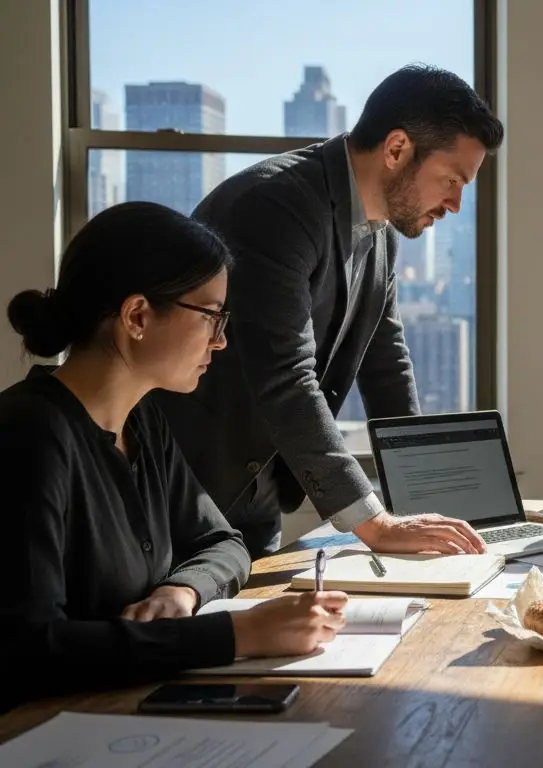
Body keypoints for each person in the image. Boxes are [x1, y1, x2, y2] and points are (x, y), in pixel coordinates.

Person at [0, 202, 349, 711]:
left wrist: (183, 590)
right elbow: (31, 650)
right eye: (211, 315)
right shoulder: (29, 433)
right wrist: (238, 634)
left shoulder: (143, 421)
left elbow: (223, 543)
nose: (221, 340)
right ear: (137, 315)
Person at [155, 64, 504, 558]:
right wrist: (376, 524)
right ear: (397, 148)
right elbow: (285, 375)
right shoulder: (276, 206)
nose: (456, 203)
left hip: (258, 492)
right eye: (452, 179)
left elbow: (386, 362)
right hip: (185, 487)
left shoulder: (381, 230)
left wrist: (427, 499)